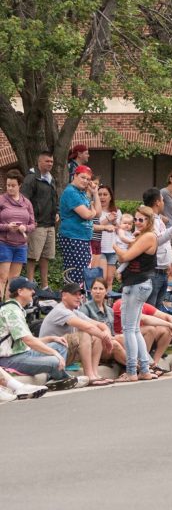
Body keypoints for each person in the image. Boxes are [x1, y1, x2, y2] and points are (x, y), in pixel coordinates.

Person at [0, 277, 76, 390]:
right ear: (20, 291)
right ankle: (62, 379)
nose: (33, 291)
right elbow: (29, 341)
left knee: (60, 345)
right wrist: (54, 353)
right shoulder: (11, 311)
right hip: (10, 359)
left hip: (23, 353)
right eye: (30, 288)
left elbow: (28, 340)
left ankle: (54, 379)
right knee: (55, 360)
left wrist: (51, 338)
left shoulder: (16, 308)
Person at [113, 205, 159, 382]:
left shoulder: (148, 236)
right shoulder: (143, 236)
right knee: (134, 329)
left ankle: (132, 371)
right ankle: (145, 369)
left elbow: (124, 257)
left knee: (129, 329)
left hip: (137, 284)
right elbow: (128, 253)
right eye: (136, 220)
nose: (138, 223)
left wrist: (115, 246)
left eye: (142, 220)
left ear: (149, 221)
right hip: (137, 283)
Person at [38, 283, 113, 386]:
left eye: (80, 294)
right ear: (64, 295)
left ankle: (95, 374)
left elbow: (100, 325)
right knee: (85, 333)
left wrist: (106, 333)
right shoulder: (60, 310)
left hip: (63, 353)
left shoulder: (74, 312)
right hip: (49, 354)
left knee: (96, 336)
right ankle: (89, 376)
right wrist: (106, 338)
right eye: (75, 294)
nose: (79, 297)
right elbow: (88, 327)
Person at [58, 165, 102, 286]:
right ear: (75, 176)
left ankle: (77, 299)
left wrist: (95, 193)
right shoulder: (71, 192)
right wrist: (91, 212)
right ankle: (73, 300)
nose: (86, 181)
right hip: (73, 237)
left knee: (82, 272)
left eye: (88, 179)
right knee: (76, 274)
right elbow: (87, 214)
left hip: (83, 237)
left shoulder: (82, 193)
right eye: (83, 177)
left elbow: (98, 213)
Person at [22, 151, 59, 288]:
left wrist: (57, 211)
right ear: (39, 162)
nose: (50, 164)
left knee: (46, 256)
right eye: (47, 161)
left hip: (50, 224)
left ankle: (45, 286)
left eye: (51, 162)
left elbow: (54, 199)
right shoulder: (31, 178)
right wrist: (30, 220)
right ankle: (29, 286)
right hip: (37, 225)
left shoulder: (51, 178)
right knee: (32, 257)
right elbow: (24, 201)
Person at [0, 169, 35, 297]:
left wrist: (25, 228)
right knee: (2, 277)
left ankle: (9, 306)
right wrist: (7, 227)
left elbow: (33, 224)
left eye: (13, 185)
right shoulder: (1, 200)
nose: (10, 188)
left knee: (14, 280)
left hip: (20, 245)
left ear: (19, 185)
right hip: (4, 243)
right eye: (8, 185)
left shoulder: (27, 203)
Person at [89, 185, 120, 289]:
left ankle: (108, 303)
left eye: (105, 194)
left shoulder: (116, 211)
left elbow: (120, 229)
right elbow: (94, 226)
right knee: (102, 278)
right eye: (100, 194)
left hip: (112, 249)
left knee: (110, 279)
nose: (102, 197)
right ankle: (100, 302)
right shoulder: (94, 210)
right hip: (99, 248)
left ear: (110, 197)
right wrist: (107, 219)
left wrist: (116, 222)